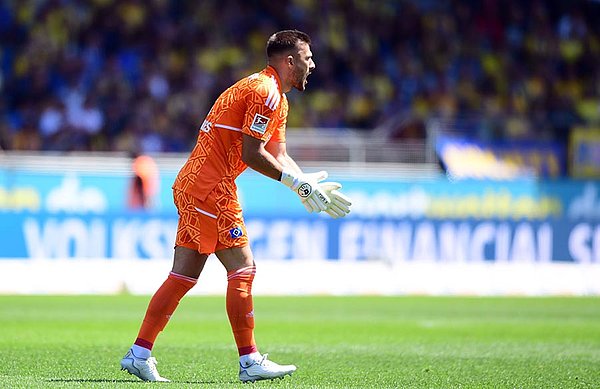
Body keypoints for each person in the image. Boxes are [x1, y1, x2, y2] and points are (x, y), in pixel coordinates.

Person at [120, 29, 352, 383]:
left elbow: (278, 154)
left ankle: (140, 353)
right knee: (239, 268)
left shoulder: (277, 97)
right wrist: (296, 184)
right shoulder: (265, 93)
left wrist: (305, 184)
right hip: (210, 187)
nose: (313, 65)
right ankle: (248, 361)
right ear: (289, 61)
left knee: (185, 275)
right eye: (308, 58)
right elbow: (251, 154)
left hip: (204, 184)